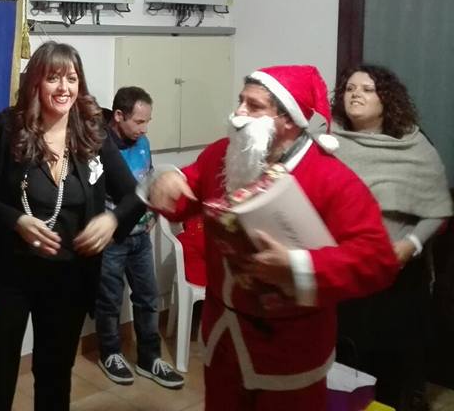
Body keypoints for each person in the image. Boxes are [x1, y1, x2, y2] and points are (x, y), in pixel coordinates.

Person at [146, 64, 397, 411]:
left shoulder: (331, 178)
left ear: (289, 120)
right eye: (240, 101)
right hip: (223, 337)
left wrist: (299, 266)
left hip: (290, 350)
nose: (238, 113)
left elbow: (378, 258)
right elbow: (188, 190)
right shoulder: (224, 152)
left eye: (253, 106)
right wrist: (168, 182)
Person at [0, 41, 146, 411]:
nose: (64, 88)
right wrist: (16, 221)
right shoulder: (7, 128)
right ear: (35, 83)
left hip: (68, 278)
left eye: (72, 79)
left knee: (55, 373)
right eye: (53, 78)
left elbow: (134, 195)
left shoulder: (92, 134)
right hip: (6, 274)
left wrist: (112, 220)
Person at [332, 64, 452, 411]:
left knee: (389, 363)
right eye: (350, 88)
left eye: (367, 89)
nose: (356, 94)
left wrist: (410, 245)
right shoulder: (328, 142)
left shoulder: (413, 145)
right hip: (343, 270)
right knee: (345, 362)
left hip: (396, 275)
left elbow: (437, 208)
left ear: (387, 99)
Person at [94, 86, 184, 388]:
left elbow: (150, 180)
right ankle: (110, 354)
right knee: (109, 300)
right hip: (113, 240)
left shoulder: (142, 142)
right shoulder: (100, 144)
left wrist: (154, 215)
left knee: (148, 297)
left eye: (148, 121)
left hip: (141, 237)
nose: (144, 129)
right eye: (139, 122)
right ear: (119, 116)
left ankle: (150, 358)